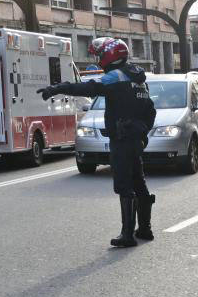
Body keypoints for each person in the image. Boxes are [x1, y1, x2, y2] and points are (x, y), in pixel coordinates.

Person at [37, 38, 157, 248]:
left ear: (110, 56)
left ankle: (127, 235)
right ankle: (145, 229)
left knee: (124, 184)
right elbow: (150, 111)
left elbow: (88, 88)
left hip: (122, 138)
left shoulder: (115, 78)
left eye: (100, 55)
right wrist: (143, 132)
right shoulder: (138, 79)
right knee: (138, 180)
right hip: (136, 139)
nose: (99, 59)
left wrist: (57, 88)